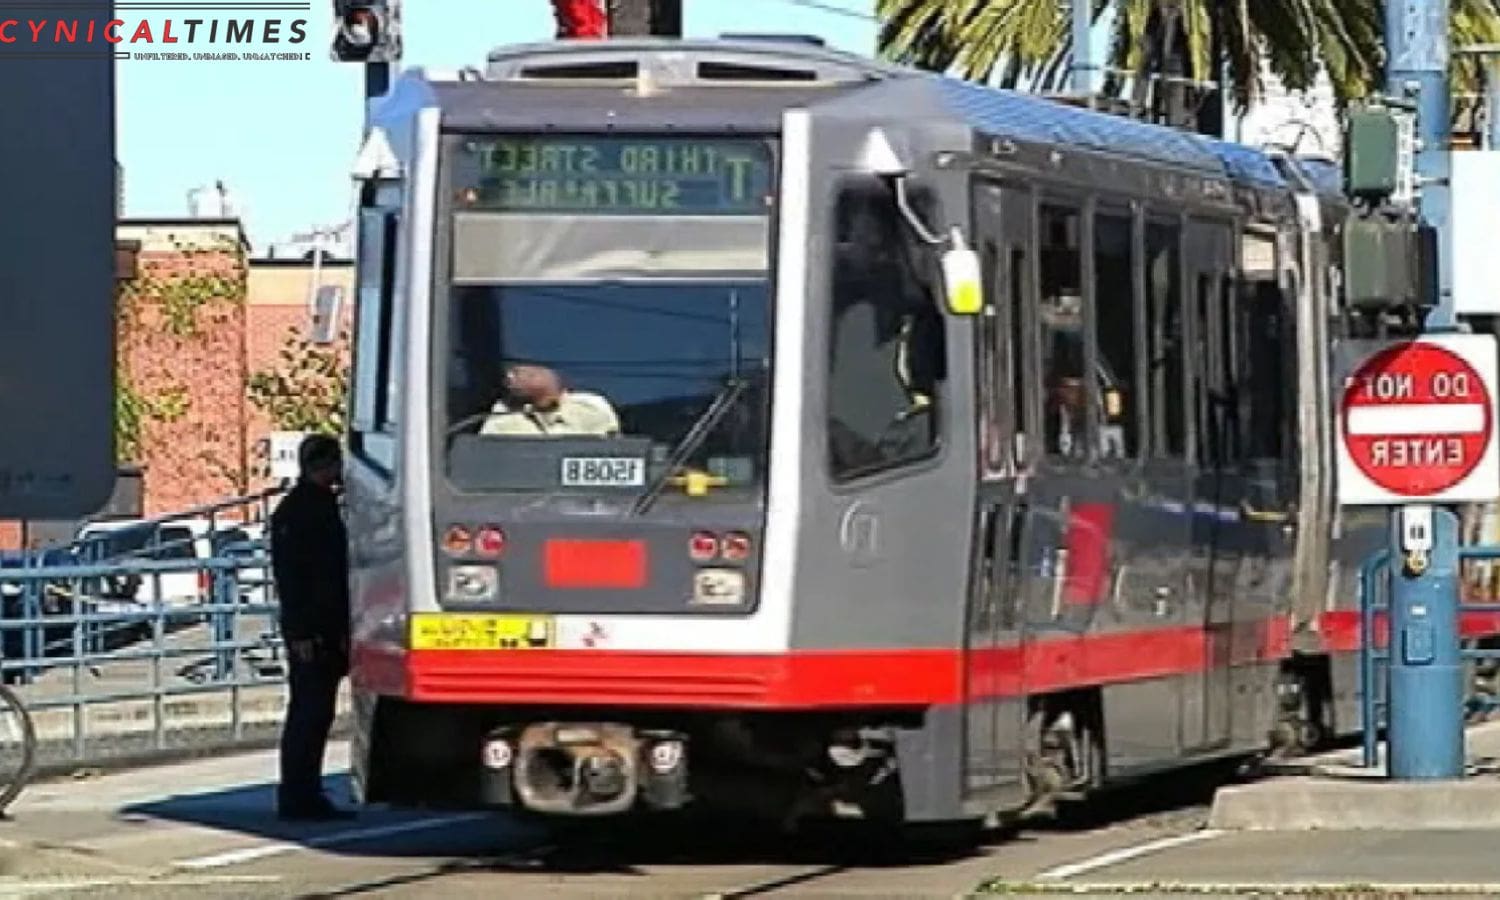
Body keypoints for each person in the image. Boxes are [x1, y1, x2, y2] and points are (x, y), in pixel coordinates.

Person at [270, 434, 355, 822]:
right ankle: (299, 792)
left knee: (312, 711)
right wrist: (302, 632)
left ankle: (302, 790)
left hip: (321, 625)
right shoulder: (305, 512)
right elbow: (296, 579)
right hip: (314, 628)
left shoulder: (307, 508)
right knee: (309, 711)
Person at [479, 364, 620, 437]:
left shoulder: (591, 407)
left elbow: (616, 453)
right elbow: (486, 456)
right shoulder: (504, 412)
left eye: (517, 372)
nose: (509, 379)